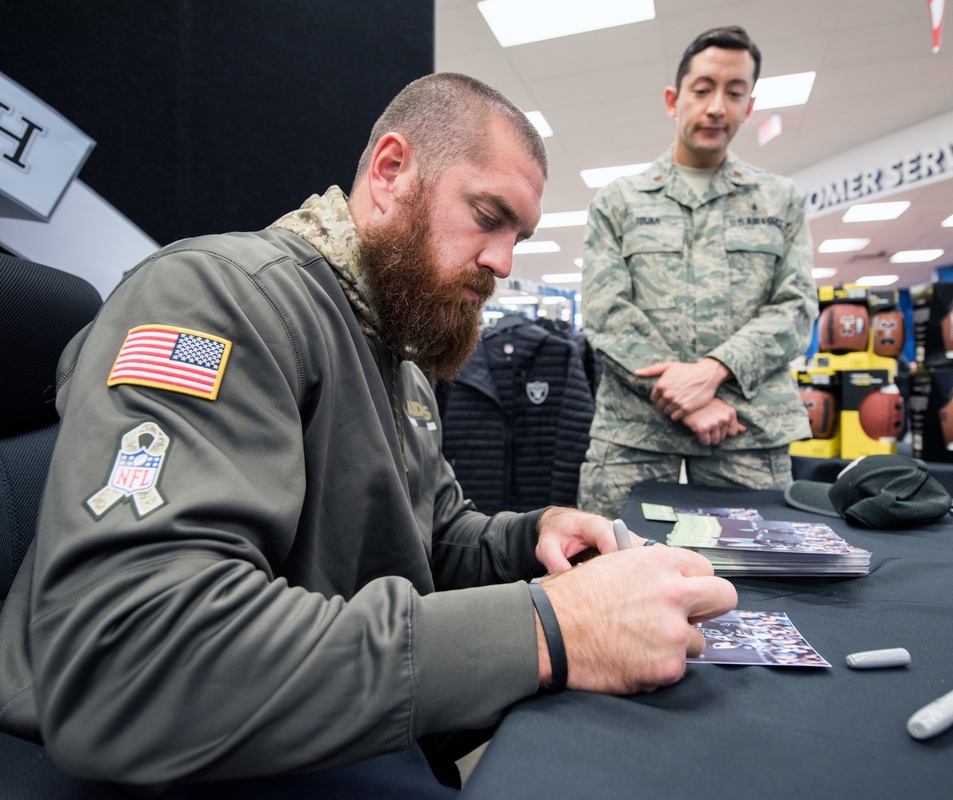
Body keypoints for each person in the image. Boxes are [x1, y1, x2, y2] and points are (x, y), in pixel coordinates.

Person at [0, 73, 737, 795]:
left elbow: (431, 537)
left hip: (331, 724)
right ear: (391, 171)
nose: (503, 264)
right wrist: (550, 627)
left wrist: (532, 537)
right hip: (177, 760)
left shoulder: (399, 350)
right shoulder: (215, 299)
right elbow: (134, 659)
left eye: (519, 235)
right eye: (488, 215)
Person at [577, 26, 818, 519]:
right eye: (703, 89)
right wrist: (687, 398)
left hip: (746, 431)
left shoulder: (779, 200)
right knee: (609, 574)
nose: (716, 108)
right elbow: (605, 312)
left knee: (763, 574)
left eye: (734, 93)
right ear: (674, 99)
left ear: (749, 105)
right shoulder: (619, 202)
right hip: (635, 433)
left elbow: (795, 309)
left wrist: (713, 371)